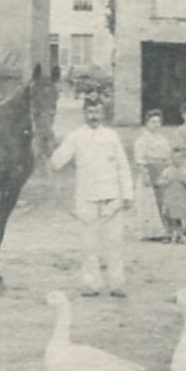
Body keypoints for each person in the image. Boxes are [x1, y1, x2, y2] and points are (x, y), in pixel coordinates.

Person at [48, 100, 135, 297]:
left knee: (114, 242)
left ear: (103, 114)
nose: (93, 116)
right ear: (84, 114)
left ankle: (116, 283)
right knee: (88, 244)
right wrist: (46, 151)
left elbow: (123, 166)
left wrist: (128, 193)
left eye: (97, 111)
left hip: (112, 197)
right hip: (86, 197)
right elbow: (57, 161)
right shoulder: (76, 136)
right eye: (89, 112)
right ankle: (91, 283)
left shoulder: (112, 136)